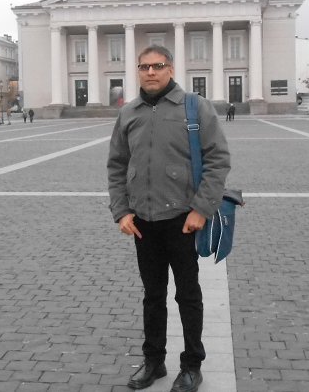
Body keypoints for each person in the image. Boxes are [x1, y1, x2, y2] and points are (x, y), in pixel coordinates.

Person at [107, 45, 231, 392]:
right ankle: (154, 361)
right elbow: (117, 165)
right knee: (153, 295)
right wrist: (121, 211)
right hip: (142, 222)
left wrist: (201, 209)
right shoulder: (129, 112)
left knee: (188, 295)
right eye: (144, 67)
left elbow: (218, 159)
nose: (150, 72)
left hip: (182, 219)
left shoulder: (195, 107)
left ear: (171, 69)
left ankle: (192, 365)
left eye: (157, 65)